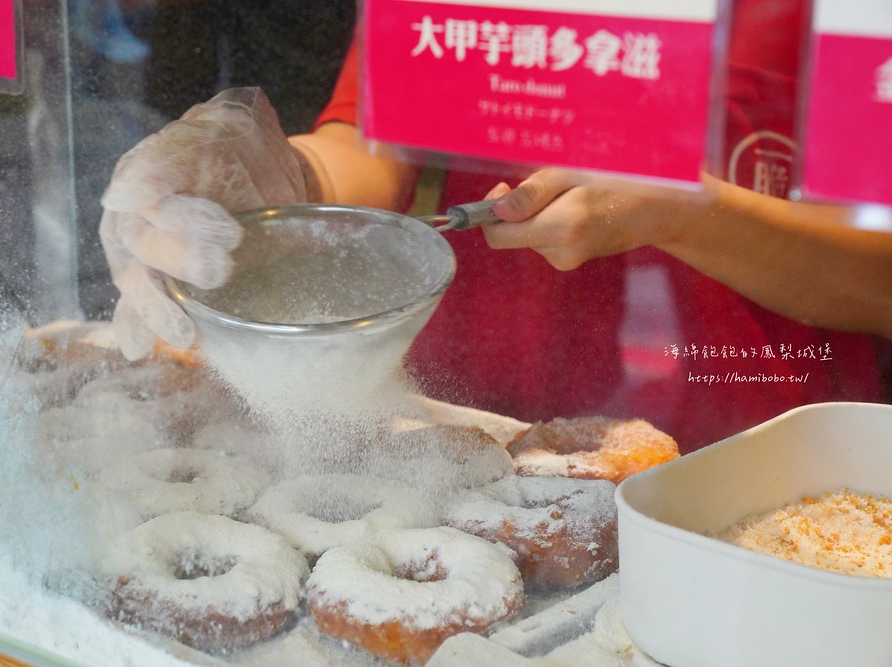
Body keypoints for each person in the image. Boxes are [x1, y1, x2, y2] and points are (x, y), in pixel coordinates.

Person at [98, 0, 888, 452]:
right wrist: (270, 177)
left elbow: (876, 278)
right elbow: (372, 147)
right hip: (467, 444)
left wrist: (684, 207)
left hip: (756, 473)